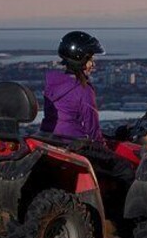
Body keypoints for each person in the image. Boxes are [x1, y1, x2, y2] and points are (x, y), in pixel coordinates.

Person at [41, 31, 134, 186]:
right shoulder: (83, 90)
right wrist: (105, 150)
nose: (93, 64)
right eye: (90, 59)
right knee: (125, 169)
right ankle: (126, 210)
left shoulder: (53, 83)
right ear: (80, 60)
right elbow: (92, 129)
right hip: (75, 144)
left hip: (52, 141)